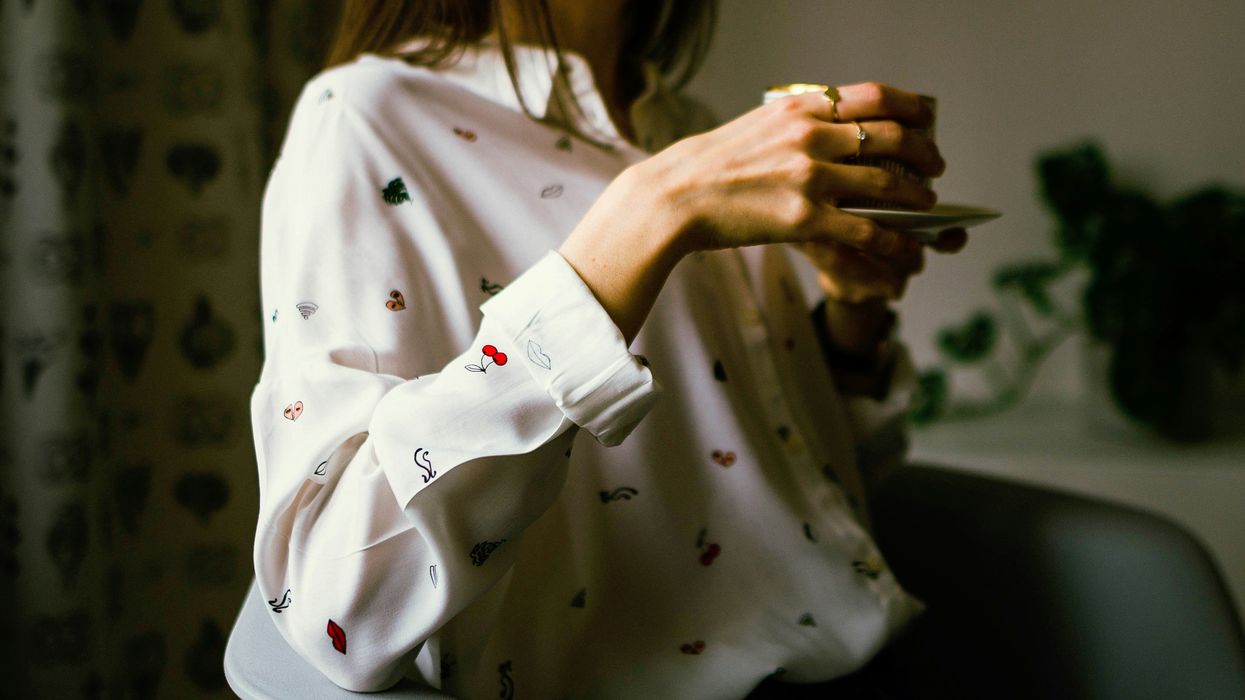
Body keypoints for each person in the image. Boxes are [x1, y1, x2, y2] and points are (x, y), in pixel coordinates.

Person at [249, 0, 968, 697]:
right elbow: (339, 607)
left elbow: (801, 499)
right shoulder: (361, 118)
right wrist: (655, 210)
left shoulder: (686, 127)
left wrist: (853, 310)